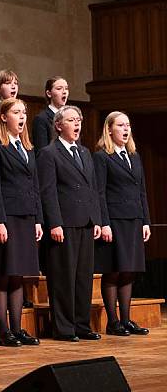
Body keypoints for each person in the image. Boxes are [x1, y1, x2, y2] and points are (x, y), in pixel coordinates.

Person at [37, 105, 102, 342]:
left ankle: (81, 325)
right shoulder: (49, 153)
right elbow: (48, 191)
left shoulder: (85, 152)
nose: (77, 124)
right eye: (72, 120)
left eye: (79, 120)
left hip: (85, 221)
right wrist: (54, 223)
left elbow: (93, 189)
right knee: (63, 277)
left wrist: (96, 219)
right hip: (63, 223)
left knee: (83, 277)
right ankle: (64, 328)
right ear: (58, 125)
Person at [0, 98, 43, 347]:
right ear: (4, 117)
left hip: (26, 217)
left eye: (24, 112)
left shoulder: (27, 147)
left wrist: (38, 219)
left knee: (18, 276)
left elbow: (35, 187)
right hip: (6, 217)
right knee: (3, 274)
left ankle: (18, 328)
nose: (22, 116)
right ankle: (3, 330)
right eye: (17, 112)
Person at [93, 111, 151, 336]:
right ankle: (113, 321)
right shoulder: (102, 156)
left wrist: (145, 220)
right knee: (114, 271)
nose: (125, 129)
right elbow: (99, 193)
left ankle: (126, 319)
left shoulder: (134, 155)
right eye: (120, 125)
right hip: (115, 220)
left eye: (127, 125)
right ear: (109, 129)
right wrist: (104, 223)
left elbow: (142, 191)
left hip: (134, 218)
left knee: (129, 271)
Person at [32, 76, 69, 154]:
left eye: (66, 88)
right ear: (49, 94)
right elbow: (42, 151)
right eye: (59, 89)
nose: (64, 91)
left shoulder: (71, 117)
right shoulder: (41, 119)